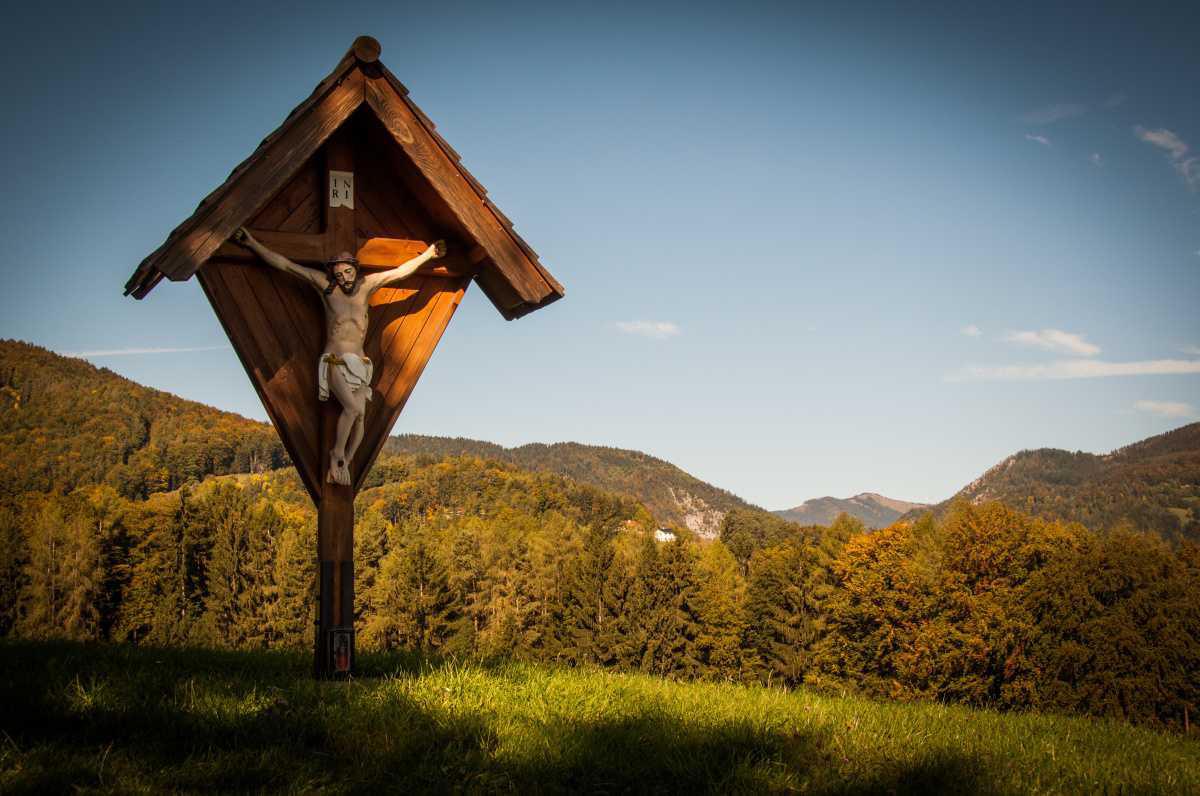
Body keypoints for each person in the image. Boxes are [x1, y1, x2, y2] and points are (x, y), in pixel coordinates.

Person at [231, 227, 445, 484]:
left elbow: (399, 272)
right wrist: (253, 243)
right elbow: (286, 266)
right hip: (334, 360)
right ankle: (337, 453)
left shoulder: (367, 286)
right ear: (332, 275)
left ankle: (346, 459)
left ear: (356, 269)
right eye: (339, 274)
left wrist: (429, 255)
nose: (344, 277)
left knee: (360, 415)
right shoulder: (325, 287)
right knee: (353, 408)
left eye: (348, 271)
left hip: (361, 364)